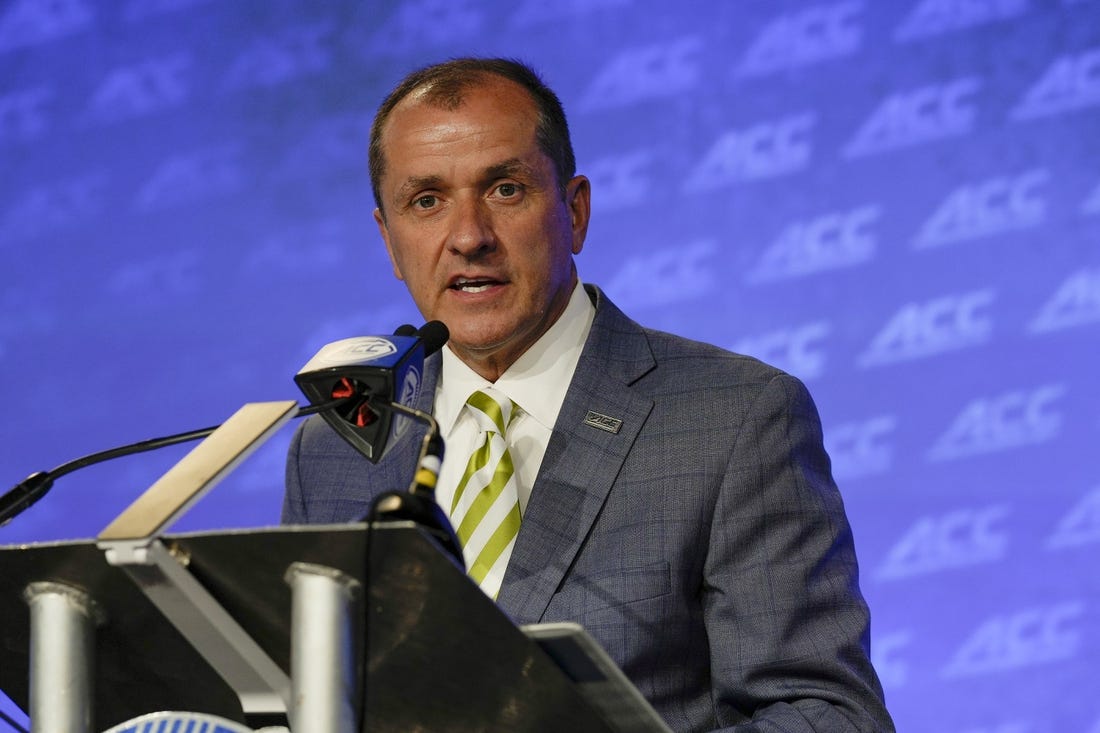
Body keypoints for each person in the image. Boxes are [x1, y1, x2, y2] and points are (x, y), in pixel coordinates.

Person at [283, 57, 894, 732]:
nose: (468, 236)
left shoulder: (737, 418)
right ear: (390, 242)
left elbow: (829, 716)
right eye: (426, 201)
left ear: (575, 212)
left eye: (505, 189)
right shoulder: (336, 446)